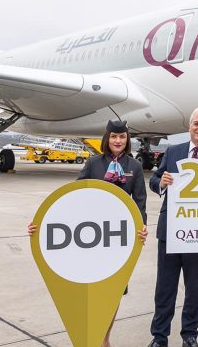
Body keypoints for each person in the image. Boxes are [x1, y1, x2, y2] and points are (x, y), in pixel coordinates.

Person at [28, 119, 148, 347]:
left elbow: (139, 204)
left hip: (118, 239)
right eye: (114, 137)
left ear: (127, 140)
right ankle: (87, 334)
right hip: (92, 237)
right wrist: (42, 224)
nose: (118, 141)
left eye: (122, 137)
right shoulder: (94, 163)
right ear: (107, 139)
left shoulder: (134, 166)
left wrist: (142, 229)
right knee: (89, 285)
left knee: (113, 292)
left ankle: (104, 338)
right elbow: (72, 198)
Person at [148, 107, 198, 347]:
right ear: (190, 126)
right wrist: (160, 183)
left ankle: (190, 335)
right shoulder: (174, 151)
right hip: (170, 231)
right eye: (197, 124)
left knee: (194, 290)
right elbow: (154, 179)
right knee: (165, 288)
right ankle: (159, 336)